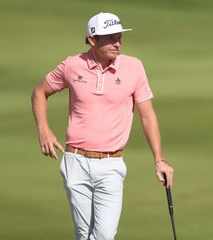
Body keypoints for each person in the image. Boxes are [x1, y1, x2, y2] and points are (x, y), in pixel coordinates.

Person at [31, 12, 174, 240]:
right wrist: (43, 129)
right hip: (75, 161)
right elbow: (39, 92)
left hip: (111, 164)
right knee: (83, 235)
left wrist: (159, 159)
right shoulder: (72, 65)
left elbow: (147, 116)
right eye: (110, 38)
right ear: (92, 40)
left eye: (119, 37)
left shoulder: (133, 67)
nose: (117, 43)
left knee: (104, 236)